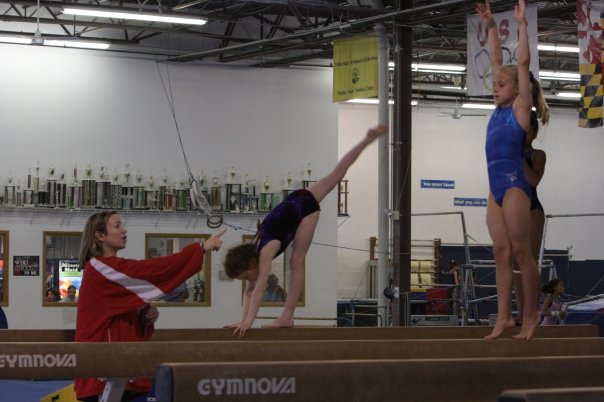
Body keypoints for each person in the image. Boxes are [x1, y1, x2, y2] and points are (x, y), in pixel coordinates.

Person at [224, 124, 387, 337]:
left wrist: (250, 322)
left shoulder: (264, 252)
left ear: (249, 264)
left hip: (304, 210)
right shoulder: (253, 253)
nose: (248, 280)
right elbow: (249, 291)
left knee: (296, 261)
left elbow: (260, 289)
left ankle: (287, 315)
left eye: (246, 275)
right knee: (337, 173)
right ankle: (367, 140)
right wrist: (242, 320)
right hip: (297, 197)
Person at [74, 211, 225, 402]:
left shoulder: (110, 271)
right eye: (117, 225)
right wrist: (201, 248)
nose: (124, 230)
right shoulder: (100, 268)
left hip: (125, 370)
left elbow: (120, 315)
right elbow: (154, 270)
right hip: (103, 375)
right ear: (100, 235)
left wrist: (143, 319)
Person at [477, 0, 550, 340]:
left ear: (517, 89)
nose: (495, 87)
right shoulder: (498, 107)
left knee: (522, 252)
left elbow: (521, 62)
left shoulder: (521, 108)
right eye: (494, 84)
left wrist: (520, 26)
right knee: (500, 252)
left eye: (501, 85)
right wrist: (491, 27)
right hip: (495, 187)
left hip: (515, 185)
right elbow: (496, 61)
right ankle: (503, 317)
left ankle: (531, 315)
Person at [513, 111, 547, 326]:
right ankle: (520, 310)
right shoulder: (508, 153)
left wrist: (516, 156)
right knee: (515, 262)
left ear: (533, 133)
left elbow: (533, 180)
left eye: (526, 131)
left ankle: (531, 311)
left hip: (532, 208)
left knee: (529, 260)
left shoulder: (538, 155)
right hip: (513, 208)